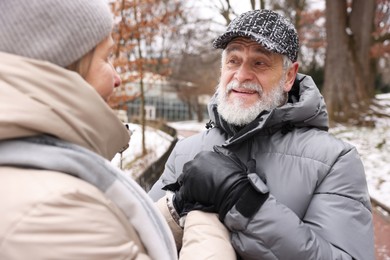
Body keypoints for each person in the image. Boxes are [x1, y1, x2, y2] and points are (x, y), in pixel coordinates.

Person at [0, 1, 236, 259]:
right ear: (62, 65)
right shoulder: (50, 211)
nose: (117, 78)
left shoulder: (37, 173)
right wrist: (206, 214)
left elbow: (117, 234)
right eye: (105, 58)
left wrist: (177, 207)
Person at [149, 9, 375, 260]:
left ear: (289, 76)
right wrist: (176, 206)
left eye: (259, 63)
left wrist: (244, 203)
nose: (242, 75)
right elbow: (138, 241)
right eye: (233, 60)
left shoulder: (335, 161)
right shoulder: (185, 151)